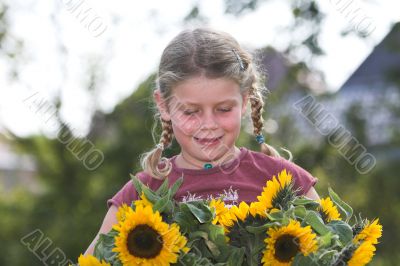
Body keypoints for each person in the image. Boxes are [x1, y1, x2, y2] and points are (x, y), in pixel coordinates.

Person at [85, 27, 319, 255]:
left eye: (224, 109)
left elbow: (333, 249)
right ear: (164, 106)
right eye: (190, 112)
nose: (208, 124)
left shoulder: (286, 182)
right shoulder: (142, 192)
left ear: (244, 102)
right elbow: (92, 260)